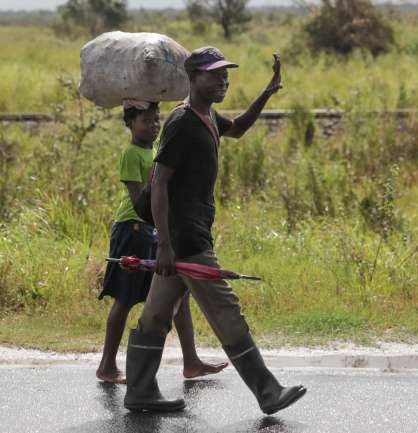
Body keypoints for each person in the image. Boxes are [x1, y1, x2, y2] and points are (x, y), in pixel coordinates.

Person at [123, 47, 307, 414]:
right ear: (192, 79)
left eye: (226, 73)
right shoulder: (181, 123)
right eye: (214, 74)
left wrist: (267, 93)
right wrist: (165, 245)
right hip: (186, 240)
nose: (223, 79)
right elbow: (158, 185)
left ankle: (140, 391)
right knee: (226, 310)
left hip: (184, 237)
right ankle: (267, 391)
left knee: (157, 315)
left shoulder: (206, 116)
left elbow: (237, 129)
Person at [96, 100, 227, 384]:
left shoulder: (155, 150)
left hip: (155, 231)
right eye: (146, 121)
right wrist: (161, 184)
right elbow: (140, 201)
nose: (154, 126)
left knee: (179, 296)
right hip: (133, 230)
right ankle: (107, 365)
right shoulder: (131, 154)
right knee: (125, 299)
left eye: (157, 120)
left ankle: (191, 362)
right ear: (130, 123)